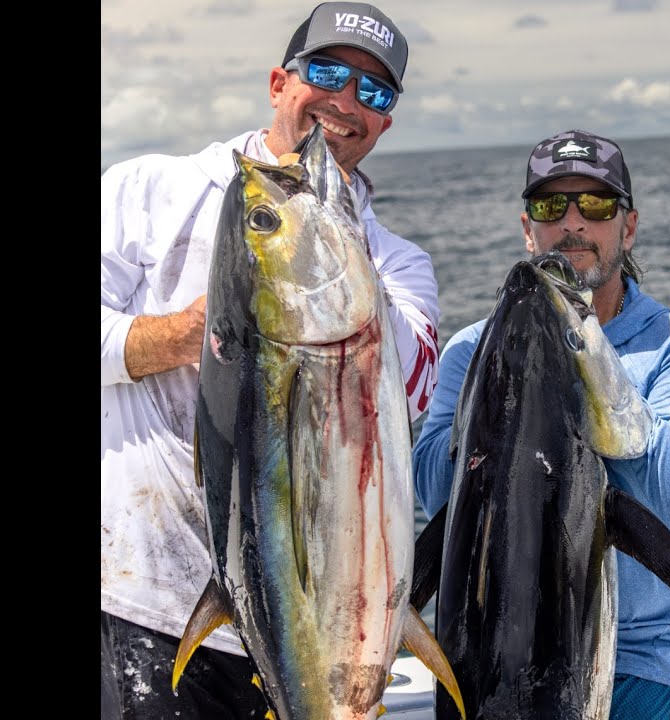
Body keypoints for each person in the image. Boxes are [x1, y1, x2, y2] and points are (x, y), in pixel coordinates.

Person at [100, 3, 442, 717]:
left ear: (385, 122)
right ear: (279, 82)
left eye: (373, 93)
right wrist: (176, 335)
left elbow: (411, 393)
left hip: (329, 633)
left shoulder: (400, 265)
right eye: (327, 72)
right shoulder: (145, 191)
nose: (346, 101)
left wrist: (338, 240)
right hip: (142, 606)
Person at [412, 129, 670, 720]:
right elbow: (438, 498)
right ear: (527, 227)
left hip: (648, 664)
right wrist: (502, 399)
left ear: (627, 227)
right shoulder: (469, 352)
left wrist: (595, 369)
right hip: (490, 652)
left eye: (596, 206)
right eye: (551, 206)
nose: (573, 224)